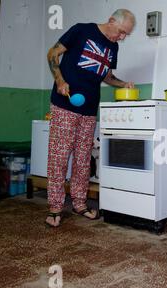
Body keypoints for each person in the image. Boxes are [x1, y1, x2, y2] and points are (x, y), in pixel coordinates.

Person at [45, 9, 135, 227]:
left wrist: (123, 84)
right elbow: (52, 54)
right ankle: (55, 208)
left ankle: (79, 203)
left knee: (84, 158)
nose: (122, 37)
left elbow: (106, 75)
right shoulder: (81, 30)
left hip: (89, 110)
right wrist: (59, 80)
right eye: (122, 32)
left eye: (126, 35)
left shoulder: (113, 47)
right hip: (65, 104)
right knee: (59, 156)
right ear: (112, 21)